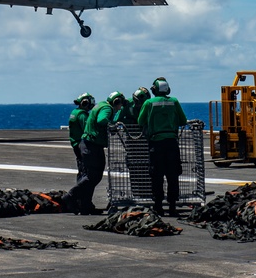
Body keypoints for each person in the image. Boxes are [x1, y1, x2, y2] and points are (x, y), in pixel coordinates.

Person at [63, 91, 126, 216]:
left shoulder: (101, 105)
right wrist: (111, 126)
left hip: (87, 144)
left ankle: (85, 206)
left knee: (90, 176)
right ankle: (70, 196)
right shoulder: (107, 108)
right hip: (92, 145)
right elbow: (102, 120)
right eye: (120, 104)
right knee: (92, 176)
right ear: (116, 102)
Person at [137, 77, 187, 216]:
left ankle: (158, 206)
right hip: (172, 143)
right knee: (173, 175)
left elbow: (140, 121)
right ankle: (172, 206)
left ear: (154, 90)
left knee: (156, 176)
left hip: (156, 143)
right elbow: (182, 120)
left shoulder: (149, 103)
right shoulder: (174, 101)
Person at [68, 93, 95, 183]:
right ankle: (81, 189)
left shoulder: (74, 112)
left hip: (75, 142)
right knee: (84, 168)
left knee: (81, 166)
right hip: (81, 144)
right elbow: (87, 129)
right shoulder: (82, 115)